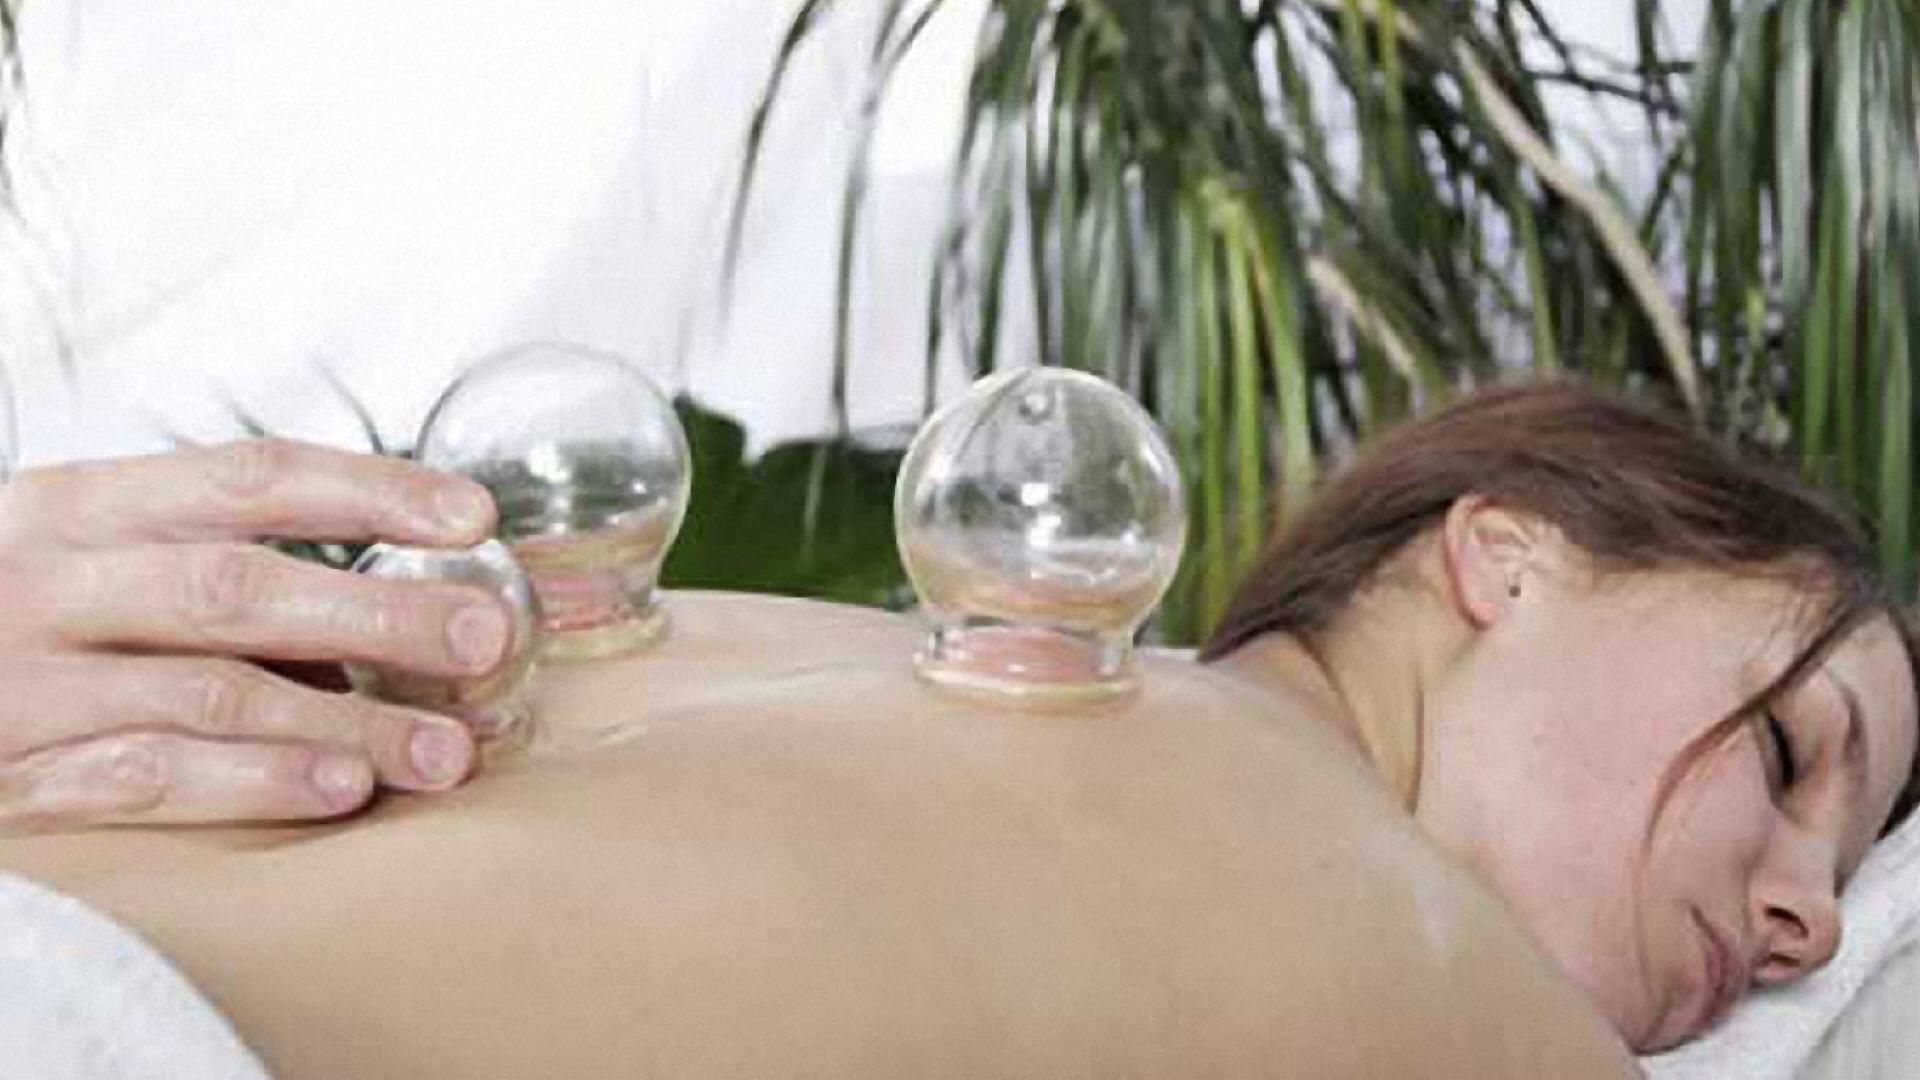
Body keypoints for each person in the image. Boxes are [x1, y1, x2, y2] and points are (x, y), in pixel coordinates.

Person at [0, 379, 1908, 1077]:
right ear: (1512, 555)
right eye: (1787, 753)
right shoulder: (1405, 939)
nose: (1811, 916)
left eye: (1844, 863)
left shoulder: (791, 650)